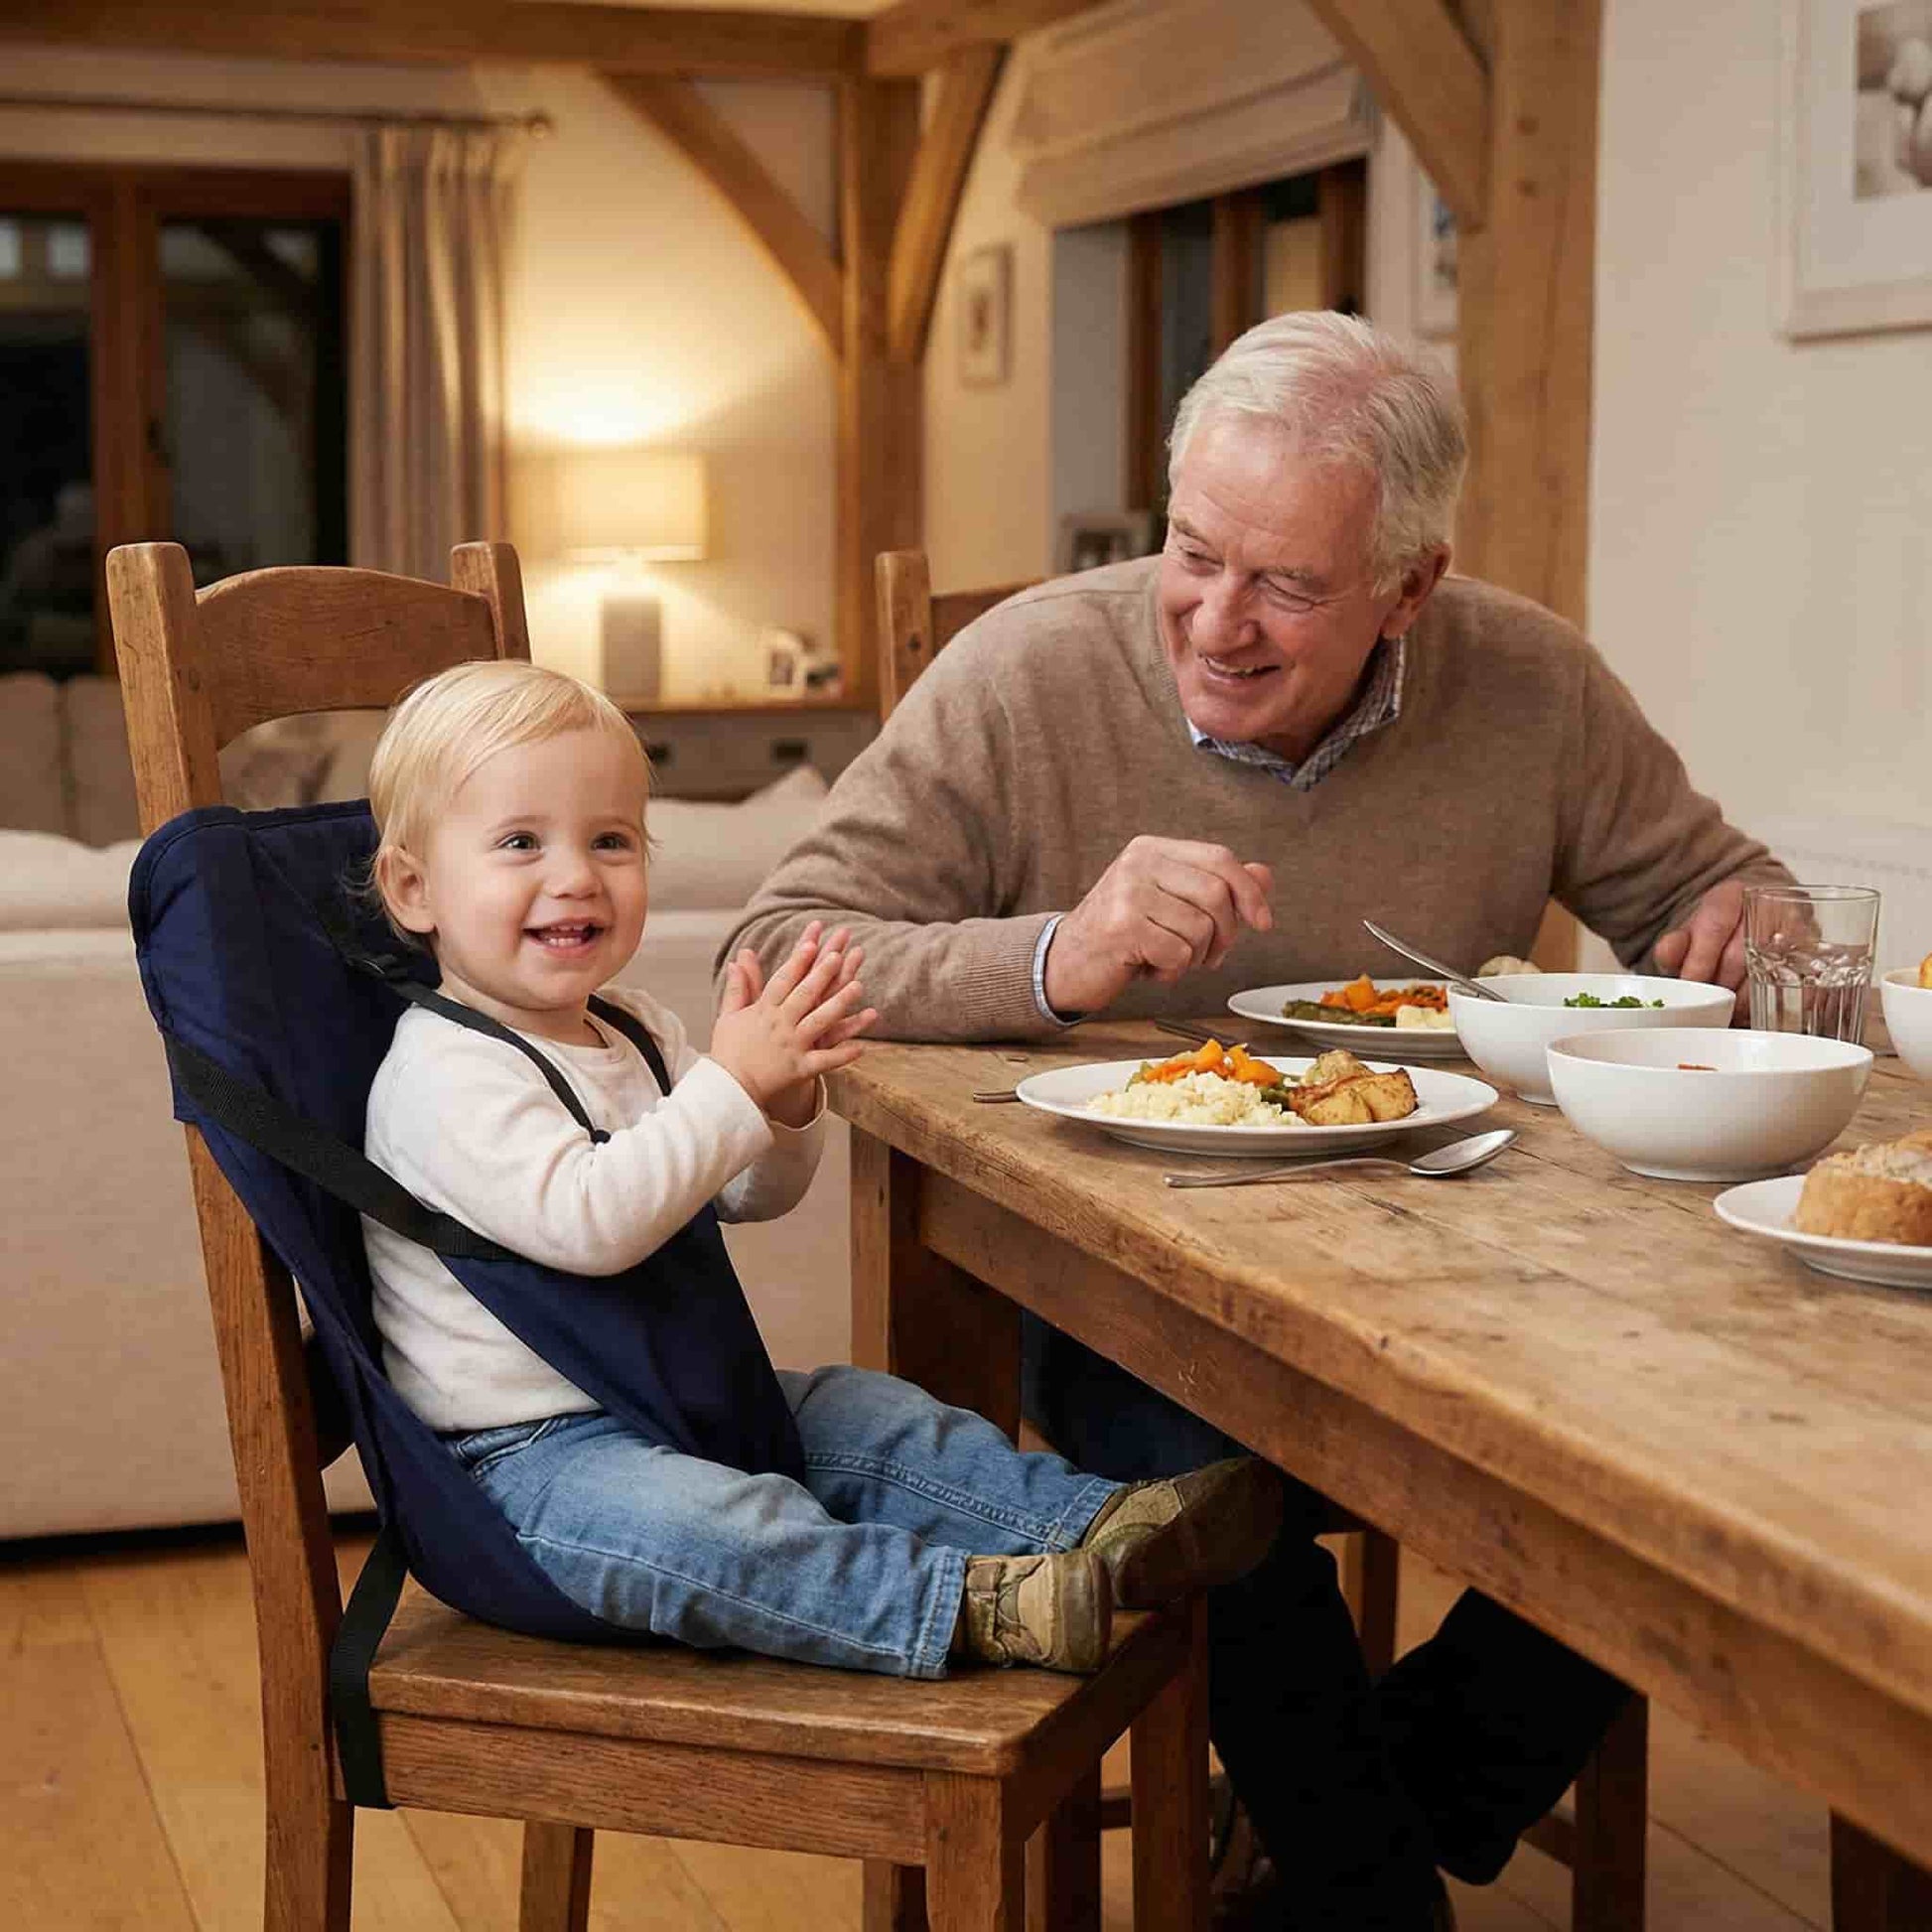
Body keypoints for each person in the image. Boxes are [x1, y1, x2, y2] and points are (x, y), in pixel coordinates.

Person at [724, 313, 1794, 1926]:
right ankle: (1368, 1891)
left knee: (1684, 1465)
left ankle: (1358, 1823)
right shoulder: (1032, 670)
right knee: (1218, 1500)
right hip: (1121, 1275)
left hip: (1470, 1260)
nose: (1215, 621)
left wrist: (1753, 926)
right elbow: (768, 952)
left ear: (1410, 588)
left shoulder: (1530, 684)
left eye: (1285, 585)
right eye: (1192, 553)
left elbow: (1711, 886)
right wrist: (1054, 956)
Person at [356, 659, 1283, 1687]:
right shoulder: (443, 1069)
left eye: (610, 840)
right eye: (521, 842)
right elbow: (592, 1221)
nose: (575, 874)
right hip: (529, 1470)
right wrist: (730, 1088)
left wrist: (784, 1097)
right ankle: (966, 1601)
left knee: (871, 1415)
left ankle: (1098, 1525)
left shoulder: (633, 1028)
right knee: (727, 1526)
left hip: (681, 1399)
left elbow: (747, 1190)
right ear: (413, 887)